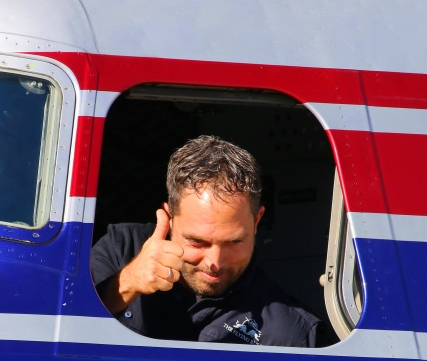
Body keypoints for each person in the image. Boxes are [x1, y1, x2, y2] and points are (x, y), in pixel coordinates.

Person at [91, 136, 322, 346]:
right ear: (169, 218)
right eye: (198, 242)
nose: (215, 262)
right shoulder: (119, 249)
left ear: (257, 221)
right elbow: (59, 332)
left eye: (234, 242)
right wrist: (126, 284)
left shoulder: (287, 334)